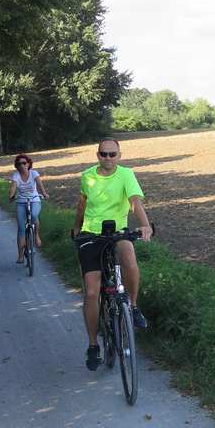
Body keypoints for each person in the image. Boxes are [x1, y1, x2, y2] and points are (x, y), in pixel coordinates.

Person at [71, 138, 153, 371]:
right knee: (91, 292)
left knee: (128, 256)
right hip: (90, 234)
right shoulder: (87, 175)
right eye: (103, 154)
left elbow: (135, 202)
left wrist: (144, 225)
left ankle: (133, 306)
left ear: (119, 155)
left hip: (118, 231)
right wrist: (76, 229)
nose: (108, 158)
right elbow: (82, 204)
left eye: (112, 154)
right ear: (97, 155)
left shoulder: (126, 175)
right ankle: (93, 345)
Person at [8, 153, 49, 263]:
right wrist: (11, 196)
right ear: (16, 166)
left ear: (28, 164)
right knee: (21, 228)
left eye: (24, 163)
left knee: (34, 215)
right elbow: (13, 186)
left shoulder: (33, 173)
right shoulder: (16, 175)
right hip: (21, 202)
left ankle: (36, 235)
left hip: (34, 200)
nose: (22, 165)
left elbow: (40, 185)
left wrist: (44, 194)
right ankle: (20, 255)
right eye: (19, 164)